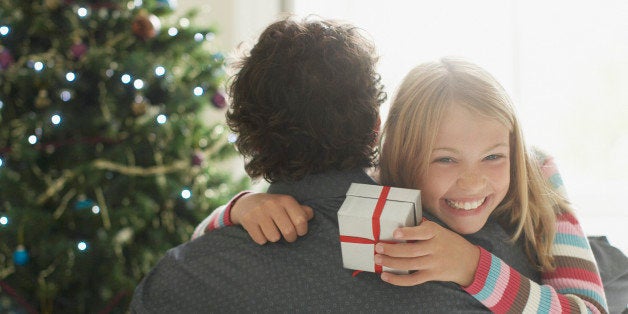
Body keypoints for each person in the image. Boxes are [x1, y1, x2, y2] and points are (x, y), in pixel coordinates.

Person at [130, 17, 542, 312]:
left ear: (246, 137)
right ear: (376, 127)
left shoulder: (179, 279)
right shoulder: (482, 261)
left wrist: (233, 211)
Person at [192, 58, 610, 313]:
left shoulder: (538, 172)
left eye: (493, 157)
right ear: (405, 157)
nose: (472, 181)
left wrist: (471, 266)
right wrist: (239, 208)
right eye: (445, 159)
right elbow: (199, 240)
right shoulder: (377, 186)